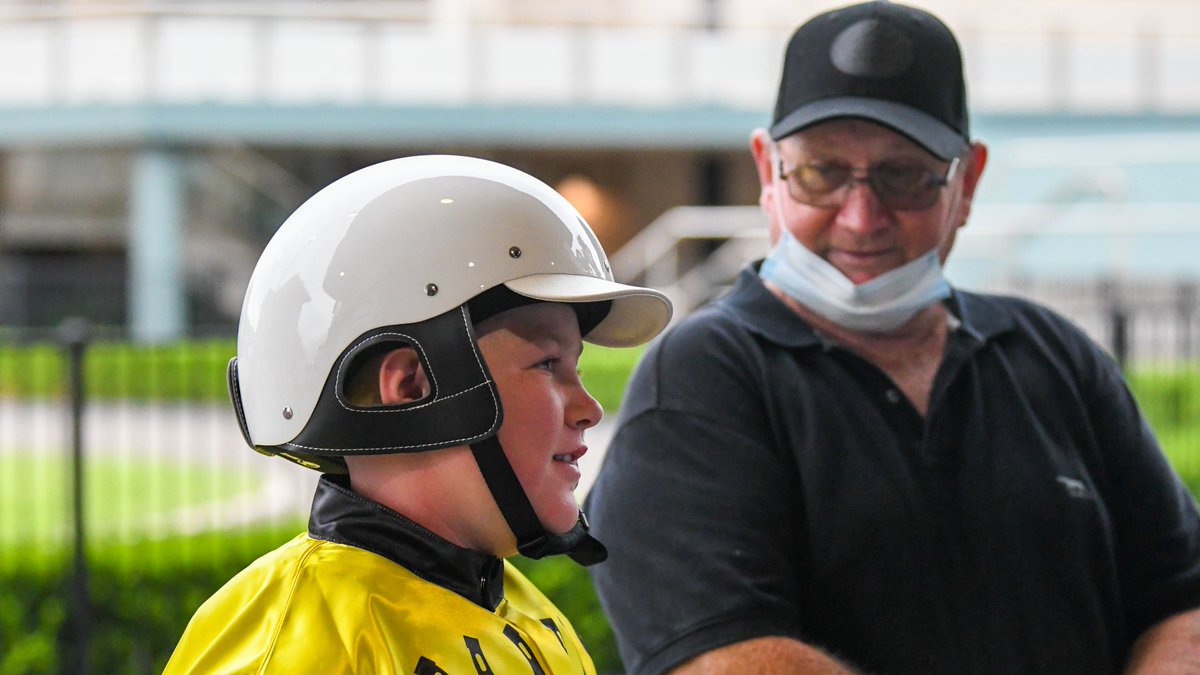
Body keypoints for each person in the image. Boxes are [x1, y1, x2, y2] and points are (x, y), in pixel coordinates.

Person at [584, 2, 1200, 674]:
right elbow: (724, 658)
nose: (861, 215)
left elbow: (1182, 597)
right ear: (769, 172)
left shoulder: (1055, 355)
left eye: (904, 175)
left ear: (967, 182)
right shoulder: (702, 377)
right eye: (822, 171)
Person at [163, 155, 671, 673]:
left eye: (576, 366)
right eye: (547, 363)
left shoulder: (522, 613)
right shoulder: (295, 649)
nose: (588, 409)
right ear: (410, 386)